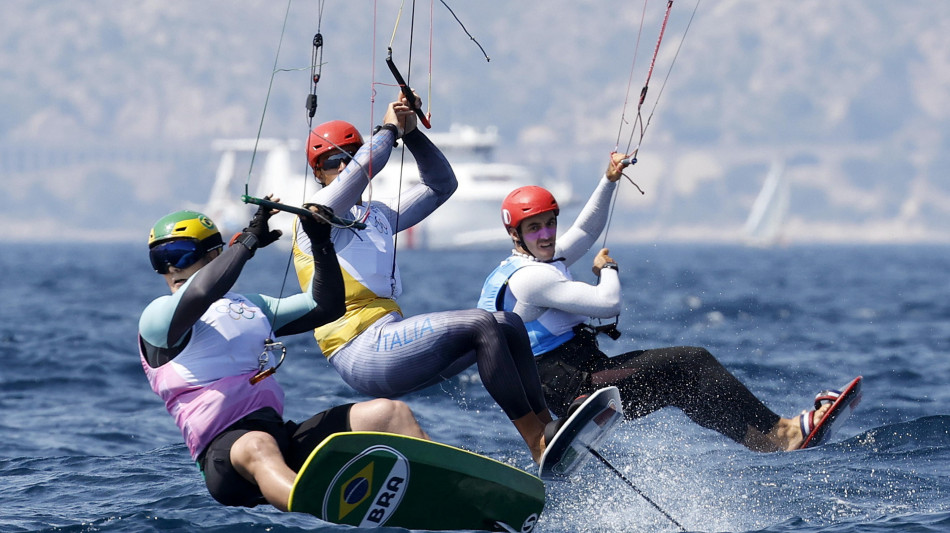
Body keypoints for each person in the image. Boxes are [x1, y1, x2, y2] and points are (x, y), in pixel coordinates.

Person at [477, 152, 842, 452]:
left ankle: (772, 439)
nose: (546, 235)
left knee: (684, 385)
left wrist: (609, 180)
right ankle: (783, 433)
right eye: (534, 228)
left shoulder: (533, 262)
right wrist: (608, 268)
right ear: (515, 234)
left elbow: (587, 231)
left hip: (578, 377)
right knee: (692, 362)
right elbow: (608, 303)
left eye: (550, 224)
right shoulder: (532, 278)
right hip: (576, 386)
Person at [291, 93, 557, 463]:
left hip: (392, 340)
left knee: (508, 324)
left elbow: (442, 185)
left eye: (350, 157)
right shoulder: (313, 221)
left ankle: (549, 428)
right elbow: (367, 167)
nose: (345, 168)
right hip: (359, 351)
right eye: (334, 162)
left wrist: (411, 131)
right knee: (481, 323)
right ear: (318, 172)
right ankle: (535, 443)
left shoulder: (378, 214)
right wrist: (388, 129)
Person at [138, 202, 429, 511]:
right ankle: (318, 506)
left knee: (390, 413)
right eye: (161, 258)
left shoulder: (250, 308)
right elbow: (200, 293)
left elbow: (327, 307)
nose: (172, 268)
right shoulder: (157, 319)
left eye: (181, 254)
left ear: (214, 254)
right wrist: (247, 243)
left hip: (282, 440)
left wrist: (321, 241)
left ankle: (448, 485)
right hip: (227, 460)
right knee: (257, 444)